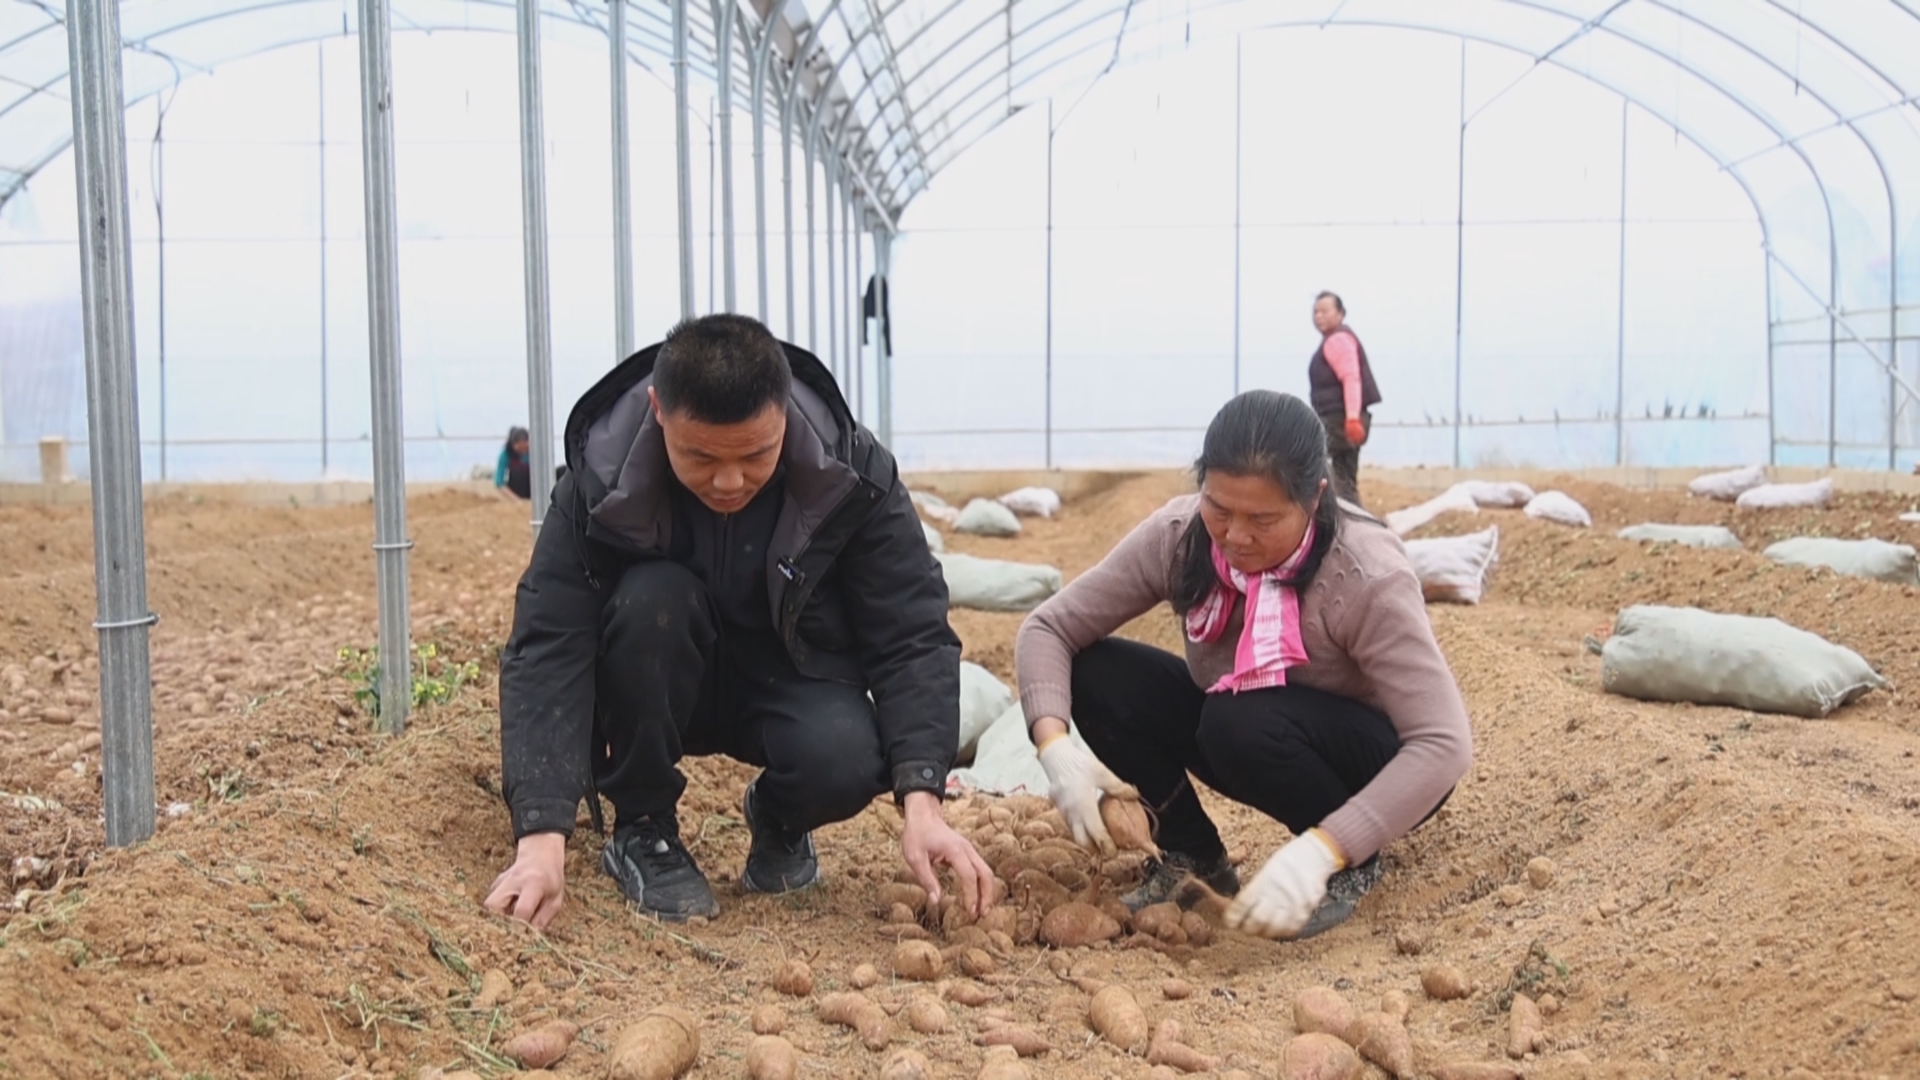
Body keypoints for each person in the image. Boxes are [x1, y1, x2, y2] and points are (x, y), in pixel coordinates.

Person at [484, 315, 993, 929]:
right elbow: (549, 643)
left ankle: (779, 817)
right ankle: (643, 825)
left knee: (849, 754)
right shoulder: (601, 481)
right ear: (658, 411)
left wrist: (924, 799)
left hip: (786, 681)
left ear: (783, 412)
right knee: (653, 599)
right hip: (654, 678)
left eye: (756, 454)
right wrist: (540, 837)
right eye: (699, 456)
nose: (729, 481)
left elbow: (910, 630)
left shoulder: (850, 474)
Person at [1015, 390, 1471, 940]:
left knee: (1236, 719)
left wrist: (1327, 847)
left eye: (1263, 519)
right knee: (1098, 673)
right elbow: (1048, 628)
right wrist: (1054, 747)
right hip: (1245, 725)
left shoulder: (1365, 574)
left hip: (1375, 763)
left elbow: (1443, 744)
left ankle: (1351, 862)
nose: (1234, 536)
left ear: (1314, 497)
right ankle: (1191, 851)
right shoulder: (1181, 537)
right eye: (1219, 508)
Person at [1308, 291, 1381, 507]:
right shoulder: (1336, 339)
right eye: (1315, 312)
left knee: (1315, 467)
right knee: (1343, 478)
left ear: (1340, 313)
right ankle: (1348, 519)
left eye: (1324, 311)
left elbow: (1351, 378)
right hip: (1340, 419)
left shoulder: (1337, 340)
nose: (1318, 316)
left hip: (1339, 421)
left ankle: (1345, 521)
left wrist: (1352, 418)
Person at [495, 426, 531, 500]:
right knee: (518, 472)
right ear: (513, 445)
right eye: (520, 448)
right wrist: (516, 500)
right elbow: (499, 481)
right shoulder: (506, 454)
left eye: (525, 448)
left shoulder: (535, 451)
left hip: (533, 487)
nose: (523, 451)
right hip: (517, 491)